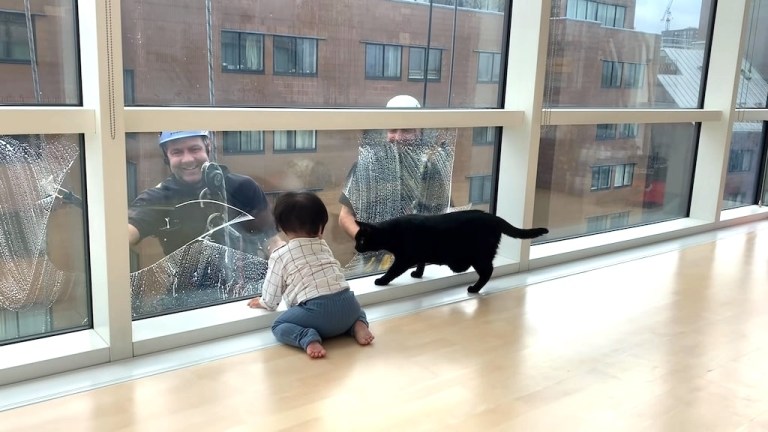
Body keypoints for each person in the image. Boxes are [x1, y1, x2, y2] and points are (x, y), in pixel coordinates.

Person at [127, 130, 283, 316]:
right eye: (177, 152)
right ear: (166, 157)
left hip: (248, 297)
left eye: (194, 149)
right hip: (190, 303)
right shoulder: (158, 199)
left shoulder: (243, 188)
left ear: (208, 148)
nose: (188, 159)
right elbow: (127, 233)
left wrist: (295, 265)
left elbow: (272, 243)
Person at [338, 95, 456, 275]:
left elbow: (445, 215)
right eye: (393, 129)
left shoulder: (430, 169)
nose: (398, 137)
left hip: (420, 264)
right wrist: (373, 243)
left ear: (420, 132)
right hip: (373, 266)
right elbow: (345, 217)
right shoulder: (367, 166)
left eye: (407, 130)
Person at [248, 191, 374, 358]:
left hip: (315, 312)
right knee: (358, 311)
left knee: (279, 325)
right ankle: (358, 324)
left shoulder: (280, 255)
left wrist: (264, 302)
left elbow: (272, 298)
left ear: (283, 229)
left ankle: (307, 338)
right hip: (348, 305)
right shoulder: (323, 246)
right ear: (321, 227)